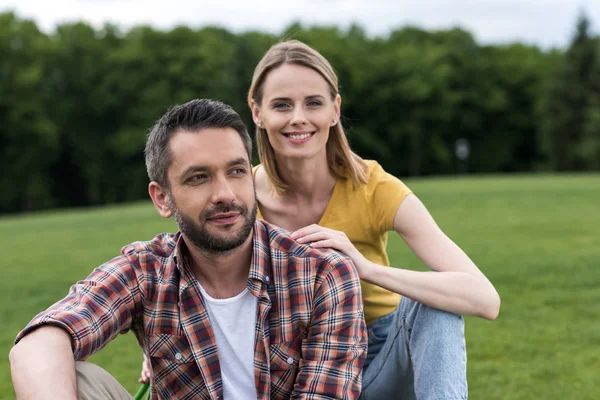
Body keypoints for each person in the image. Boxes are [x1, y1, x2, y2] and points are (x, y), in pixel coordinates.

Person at [9, 99, 367, 400]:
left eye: (237, 171)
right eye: (199, 177)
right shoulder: (146, 269)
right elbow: (39, 342)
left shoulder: (322, 273)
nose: (225, 193)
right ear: (162, 198)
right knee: (77, 378)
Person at [247, 40, 502, 399]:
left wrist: (367, 269)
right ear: (257, 112)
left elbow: (485, 300)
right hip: (294, 372)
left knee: (435, 303)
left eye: (314, 103)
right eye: (282, 105)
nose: (298, 118)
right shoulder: (239, 200)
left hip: (381, 357)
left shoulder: (373, 187)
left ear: (335, 110)